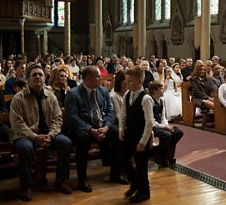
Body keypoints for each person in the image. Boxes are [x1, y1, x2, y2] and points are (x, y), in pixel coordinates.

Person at [9, 63, 73, 201]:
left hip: (48, 133)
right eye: (34, 75)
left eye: (40, 75)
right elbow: (17, 124)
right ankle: (26, 186)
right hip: (26, 135)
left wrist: (51, 135)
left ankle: (61, 180)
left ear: (45, 78)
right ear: (28, 79)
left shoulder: (51, 96)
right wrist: (35, 137)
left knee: (66, 143)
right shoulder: (19, 98)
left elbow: (57, 118)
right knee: (25, 148)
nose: (38, 77)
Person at [64, 66, 127, 194]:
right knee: (83, 138)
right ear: (87, 79)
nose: (101, 78)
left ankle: (116, 173)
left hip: (102, 126)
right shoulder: (73, 93)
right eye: (98, 76)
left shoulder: (103, 91)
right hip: (83, 128)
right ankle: (83, 180)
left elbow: (110, 111)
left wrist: (107, 127)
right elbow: (73, 117)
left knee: (118, 133)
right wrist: (90, 129)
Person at [119, 65, 153, 203]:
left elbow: (149, 122)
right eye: (126, 82)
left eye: (130, 82)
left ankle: (144, 191)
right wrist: (121, 128)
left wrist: (143, 142)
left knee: (141, 165)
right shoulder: (128, 95)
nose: (127, 84)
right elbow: (122, 114)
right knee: (121, 158)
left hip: (141, 136)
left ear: (139, 81)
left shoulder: (146, 98)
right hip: (129, 134)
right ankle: (134, 183)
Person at [148, 80, 184, 167]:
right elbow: (151, 121)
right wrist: (164, 127)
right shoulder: (149, 100)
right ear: (154, 91)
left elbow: (163, 116)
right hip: (152, 126)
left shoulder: (162, 100)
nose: (163, 91)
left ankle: (167, 154)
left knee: (178, 133)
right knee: (167, 135)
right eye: (161, 89)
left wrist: (166, 125)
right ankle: (163, 156)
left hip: (161, 125)